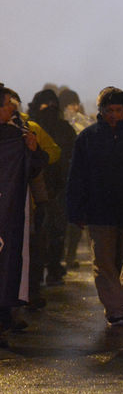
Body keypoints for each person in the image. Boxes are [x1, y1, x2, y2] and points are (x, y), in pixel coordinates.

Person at [66, 87, 123, 326]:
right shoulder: (87, 138)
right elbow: (77, 176)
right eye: (110, 110)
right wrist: (76, 210)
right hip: (101, 211)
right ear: (102, 111)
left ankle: (121, 302)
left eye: (118, 110)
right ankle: (116, 309)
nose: (114, 115)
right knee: (104, 263)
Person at [0, 87, 48, 348]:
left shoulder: (17, 135)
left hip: (10, 211)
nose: (12, 109)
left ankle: (4, 319)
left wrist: (33, 149)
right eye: (7, 104)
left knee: (8, 261)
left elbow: (37, 165)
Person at [26, 89, 76, 287]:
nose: (50, 109)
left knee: (51, 232)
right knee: (41, 234)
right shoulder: (31, 128)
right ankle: (44, 273)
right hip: (39, 188)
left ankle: (48, 271)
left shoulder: (39, 127)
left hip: (55, 187)